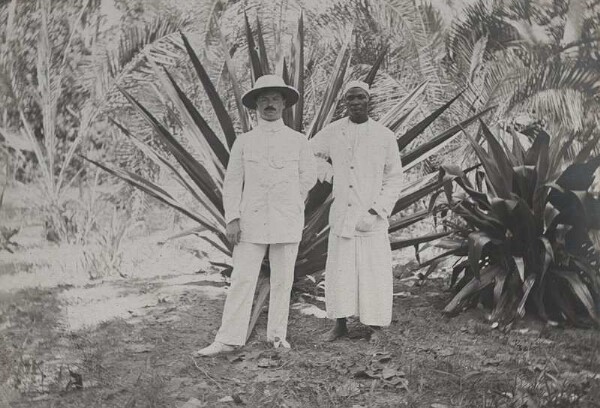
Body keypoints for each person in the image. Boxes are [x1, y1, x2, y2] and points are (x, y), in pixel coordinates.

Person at [196, 75, 316, 356]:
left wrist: (290, 200)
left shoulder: (298, 141)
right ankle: (228, 339)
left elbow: (308, 177)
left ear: (284, 103)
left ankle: (277, 337)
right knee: (242, 278)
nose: (269, 104)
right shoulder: (243, 142)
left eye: (275, 98)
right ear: (256, 106)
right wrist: (233, 218)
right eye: (263, 99)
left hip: (286, 220)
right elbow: (232, 182)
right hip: (251, 221)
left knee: (283, 279)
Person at [310, 80, 404, 343]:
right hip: (342, 214)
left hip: (372, 216)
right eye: (350, 99)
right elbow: (309, 153)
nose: (355, 103)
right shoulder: (334, 131)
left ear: (368, 101)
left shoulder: (385, 136)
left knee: (374, 270)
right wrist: (328, 174)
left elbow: (395, 177)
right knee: (340, 269)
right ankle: (340, 325)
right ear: (344, 103)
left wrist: (377, 209)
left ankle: (375, 327)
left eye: (360, 97)